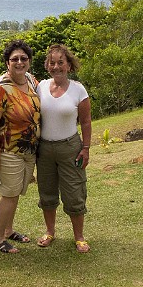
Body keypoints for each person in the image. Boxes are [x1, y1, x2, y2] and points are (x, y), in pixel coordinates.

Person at [0, 39, 41, 254]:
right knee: (8, 194)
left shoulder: (31, 81)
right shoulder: (0, 88)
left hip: (28, 150)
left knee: (16, 192)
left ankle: (8, 230)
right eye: (14, 59)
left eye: (23, 58)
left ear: (29, 61)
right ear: (7, 63)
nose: (19, 62)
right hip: (9, 151)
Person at [35, 44, 92, 253]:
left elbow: (85, 122)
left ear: (69, 65)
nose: (56, 66)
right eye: (52, 62)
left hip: (70, 147)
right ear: (47, 65)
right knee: (47, 192)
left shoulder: (78, 89)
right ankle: (50, 232)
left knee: (74, 192)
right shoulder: (40, 86)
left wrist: (86, 148)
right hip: (44, 150)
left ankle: (79, 237)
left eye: (61, 62)